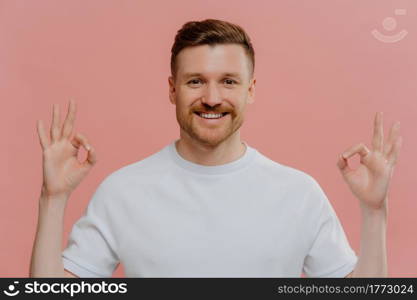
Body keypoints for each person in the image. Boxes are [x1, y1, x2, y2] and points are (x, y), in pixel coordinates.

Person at [30, 19, 402, 278]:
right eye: (195, 81)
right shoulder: (122, 191)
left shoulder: (299, 193)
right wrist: (53, 197)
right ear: (173, 89)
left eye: (228, 81)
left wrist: (374, 212)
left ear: (250, 89)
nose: (211, 98)